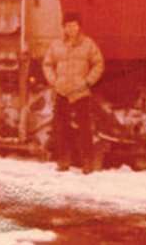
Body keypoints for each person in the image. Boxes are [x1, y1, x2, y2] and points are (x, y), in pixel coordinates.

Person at [43, 12, 105, 173]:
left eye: (74, 25)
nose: (71, 28)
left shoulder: (88, 44)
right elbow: (47, 64)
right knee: (61, 128)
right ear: (64, 28)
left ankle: (87, 162)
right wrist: (54, 81)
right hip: (62, 91)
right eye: (68, 25)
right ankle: (63, 161)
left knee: (85, 128)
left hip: (80, 92)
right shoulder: (56, 45)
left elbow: (98, 63)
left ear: (79, 27)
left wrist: (88, 82)